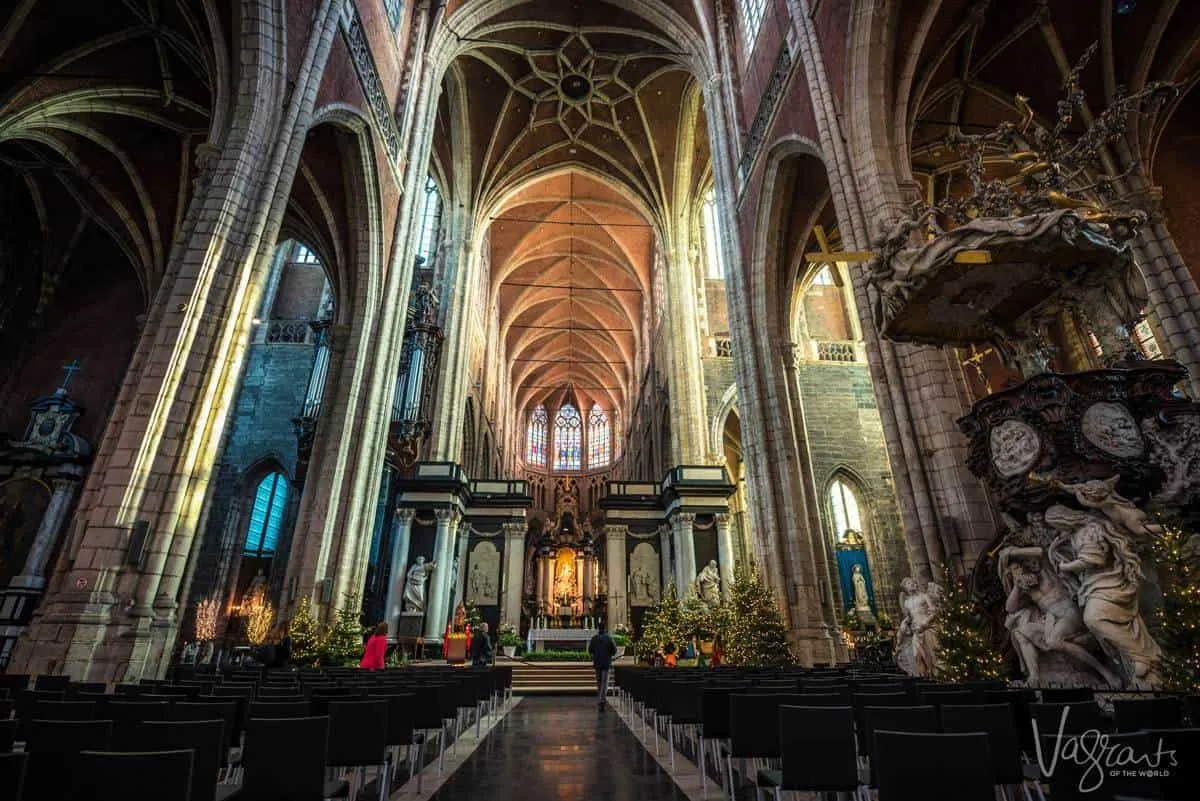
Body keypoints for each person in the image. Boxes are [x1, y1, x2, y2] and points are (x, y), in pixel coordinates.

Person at [587, 621, 618, 710]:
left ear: (598, 628)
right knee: (604, 683)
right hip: (606, 663)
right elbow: (614, 650)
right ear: (605, 628)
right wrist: (609, 655)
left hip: (597, 663)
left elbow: (590, 650)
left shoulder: (594, 638)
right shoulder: (609, 638)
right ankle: (601, 700)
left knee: (599, 682)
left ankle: (600, 699)